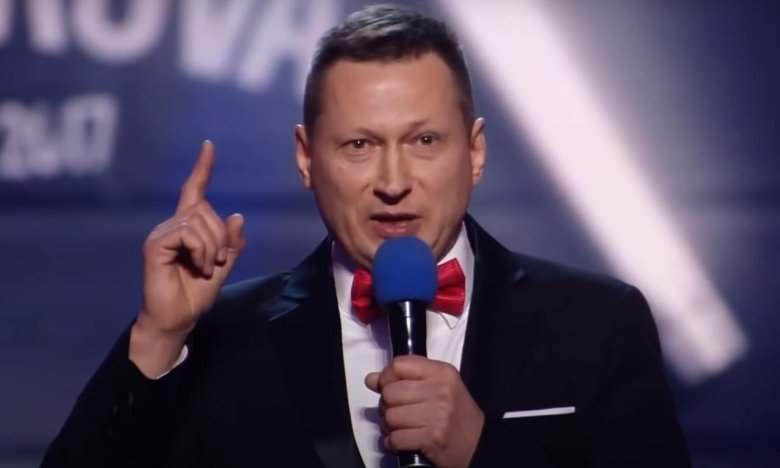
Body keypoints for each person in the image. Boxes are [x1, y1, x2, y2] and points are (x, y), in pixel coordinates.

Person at [41, 5, 690, 468]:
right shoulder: (221, 340)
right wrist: (159, 338)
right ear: (306, 159)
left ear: (475, 152)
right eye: (359, 145)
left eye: (424, 140)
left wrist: (482, 450)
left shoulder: (597, 323)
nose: (393, 181)